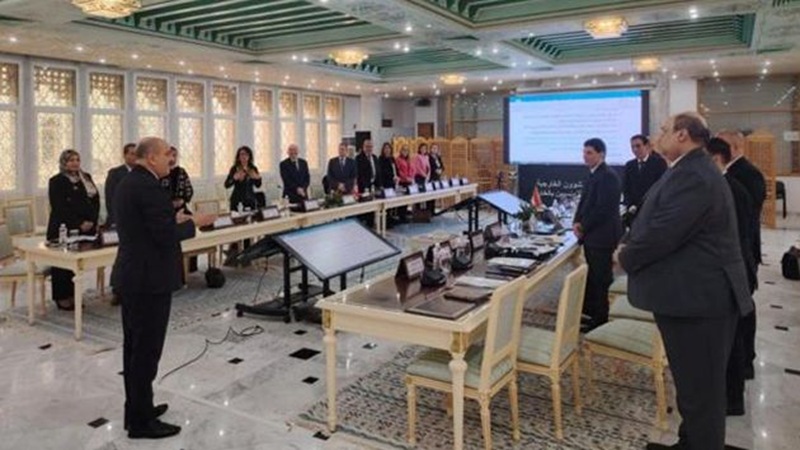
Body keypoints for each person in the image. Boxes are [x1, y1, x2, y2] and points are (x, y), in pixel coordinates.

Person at [617, 113, 753, 450]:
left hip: (701, 302)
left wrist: (625, 257)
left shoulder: (694, 175)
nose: (657, 135)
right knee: (693, 390)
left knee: (701, 396)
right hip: (692, 297)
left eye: (664, 130)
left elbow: (663, 233)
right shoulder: (688, 169)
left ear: (682, 135)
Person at [112, 137, 215, 439]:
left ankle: (138, 409)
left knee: (135, 349)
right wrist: (194, 222)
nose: (170, 159)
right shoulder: (148, 186)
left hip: (135, 276)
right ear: (151, 157)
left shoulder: (132, 182)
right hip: (148, 280)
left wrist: (174, 218)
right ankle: (141, 422)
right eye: (166, 154)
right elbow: (164, 235)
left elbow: (149, 225)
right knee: (145, 352)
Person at [707, 137, 758, 417]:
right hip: (733, 269)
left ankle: (732, 399)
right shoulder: (728, 186)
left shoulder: (729, 189)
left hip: (732, 272)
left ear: (715, 159)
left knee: (733, 338)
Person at [717, 129, 765, 380]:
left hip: (742, 251)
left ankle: (746, 359)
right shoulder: (727, 174)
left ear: (736, 148)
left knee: (743, 306)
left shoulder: (748, 174)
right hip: (732, 252)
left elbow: (746, 218)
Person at [572, 138, 622, 331]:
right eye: (584, 152)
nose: (585, 156)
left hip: (602, 236)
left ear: (601, 154)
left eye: (589, 153)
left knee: (601, 279)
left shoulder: (608, 176)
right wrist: (576, 221)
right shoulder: (593, 174)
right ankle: (593, 314)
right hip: (593, 235)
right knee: (593, 277)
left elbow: (603, 209)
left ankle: (601, 319)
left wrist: (583, 226)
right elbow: (584, 202)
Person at [46, 149, 100, 311]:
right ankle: (61, 297)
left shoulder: (86, 178)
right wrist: (78, 223)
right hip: (63, 227)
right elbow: (59, 207)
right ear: (64, 162)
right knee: (62, 264)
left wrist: (92, 221)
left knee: (76, 264)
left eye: (77, 159)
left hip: (86, 228)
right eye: (70, 160)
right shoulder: (56, 181)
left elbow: (95, 201)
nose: (75, 163)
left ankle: (73, 294)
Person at [622, 134, 667, 228]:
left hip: (652, 210)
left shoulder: (658, 163)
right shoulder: (630, 165)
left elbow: (661, 186)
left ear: (646, 146)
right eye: (632, 147)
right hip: (634, 211)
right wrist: (630, 205)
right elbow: (626, 187)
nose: (635, 149)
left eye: (638, 146)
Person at [104, 142, 137, 228]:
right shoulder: (115, 173)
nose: (135, 157)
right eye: (132, 154)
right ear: (125, 155)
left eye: (137, 154)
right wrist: (114, 218)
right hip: (119, 218)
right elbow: (110, 198)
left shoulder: (142, 173)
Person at [224, 145, 263, 212]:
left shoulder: (253, 168)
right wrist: (234, 178)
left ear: (249, 156)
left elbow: (258, 185)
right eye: (242, 154)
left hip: (250, 199)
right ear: (238, 157)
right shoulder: (234, 168)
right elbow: (226, 185)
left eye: (246, 154)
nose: (244, 156)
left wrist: (257, 178)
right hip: (237, 199)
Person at [160, 146, 193, 214]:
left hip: (181, 208)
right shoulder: (160, 172)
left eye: (174, 155)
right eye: (170, 155)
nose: (172, 158)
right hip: (164, 209)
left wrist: (182, 200)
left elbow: (189, 189)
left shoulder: (181, 172)